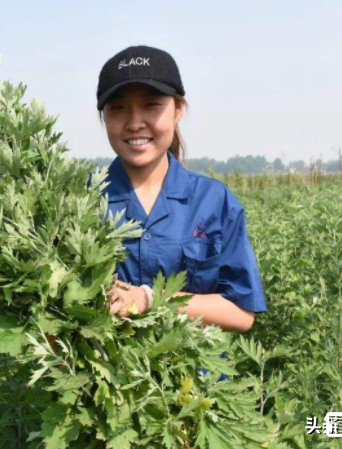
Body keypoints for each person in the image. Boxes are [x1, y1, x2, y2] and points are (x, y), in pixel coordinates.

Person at [98, 45, 267, 333]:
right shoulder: (80, 202)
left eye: (151, 105)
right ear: (103, 116)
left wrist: (152, 299)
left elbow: (241, 311)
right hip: (105, 376)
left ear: (179, 109)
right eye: (118, 108)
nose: (135, 122)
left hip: (196, 377)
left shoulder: (214, 201)